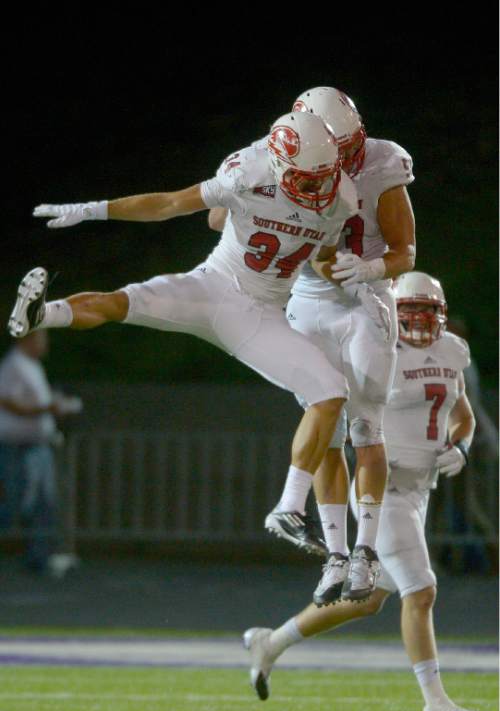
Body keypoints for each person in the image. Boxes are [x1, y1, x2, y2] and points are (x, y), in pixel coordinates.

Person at [9, 111, 384, 597]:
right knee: (124, 301)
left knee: (331, 390)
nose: (316, 186)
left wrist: (352, 270)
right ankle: (42, 315)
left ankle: (287, 507)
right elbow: (170, 204)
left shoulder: (340, 197)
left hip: (262, 312)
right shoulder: (248, 168)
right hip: (212, 288)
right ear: (278, 162)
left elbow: (319, 255)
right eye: (305, 176)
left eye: (322, 175)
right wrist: (96, 208)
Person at [243, 272, 491, 711]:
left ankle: (269, 643)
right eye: (409, 310)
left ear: (441, 313)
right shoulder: (373, 352)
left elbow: (464, 416)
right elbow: (336, 422)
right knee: (421, 591)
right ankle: (435, 706)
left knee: (369, 601)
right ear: (392, 314)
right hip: (384, 488)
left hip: (421, 490)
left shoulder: (453, 350)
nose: (418, 320)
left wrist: (461, 447)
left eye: (427, 310)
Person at [209, 87, 416, 601]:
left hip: (364, 298)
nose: (344, 158)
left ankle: (366, 555)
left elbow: (405, 250)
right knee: (326, 429)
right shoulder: (273, 156)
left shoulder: (381, 162)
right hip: (306, 299)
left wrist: (370, 268)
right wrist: (250, 187)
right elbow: (217, 217)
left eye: (349, 145)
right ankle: (335, 556)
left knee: (367, 428)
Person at [0, 330, 82, 573]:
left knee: (43, 502)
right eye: (42, 339)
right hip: (18, 445)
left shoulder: (31, 365)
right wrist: (46, 408)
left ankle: (39, 556)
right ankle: (38, 554)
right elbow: (8, 401)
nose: (45, 344)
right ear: (28, 340)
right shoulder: (14, 365)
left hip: (36, 444)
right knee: (16, 502)